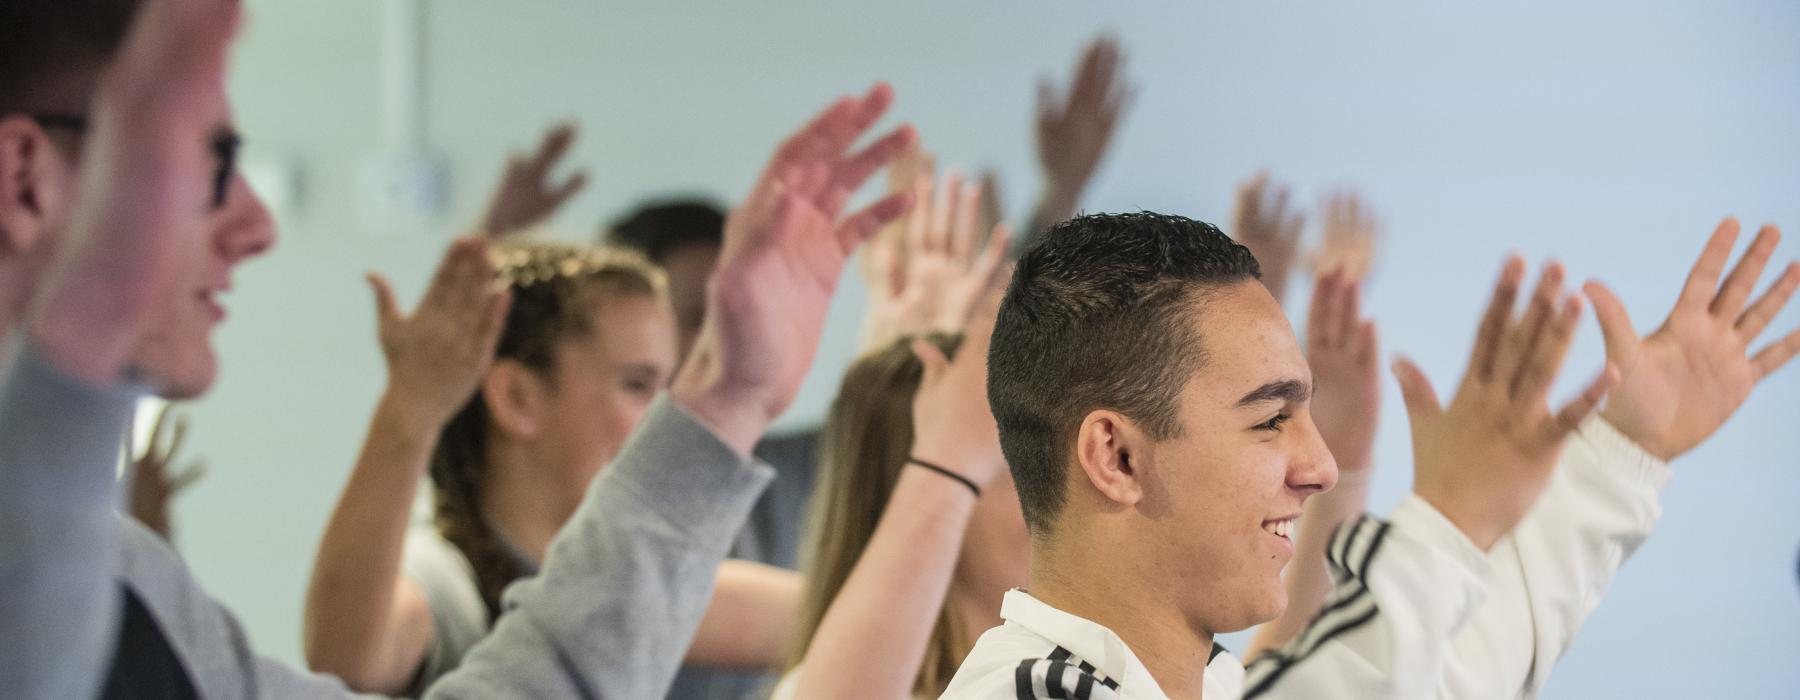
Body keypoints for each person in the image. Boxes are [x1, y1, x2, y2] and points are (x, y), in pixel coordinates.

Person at [0, 0, 916, 696]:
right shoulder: (432, 580)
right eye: (212, 162)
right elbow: (350, 644)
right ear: (25, 179)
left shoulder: (134, 582)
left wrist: (732, 393)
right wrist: (81, 361)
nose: (256, 224)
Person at [303, 240, 799, 695]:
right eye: (636, 385)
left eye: (667, 389)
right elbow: (346, 657)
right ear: (518, 397)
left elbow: (853, 619)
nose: (662, 423)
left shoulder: (640, 579)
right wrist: (410, 406)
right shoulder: (444, 579)